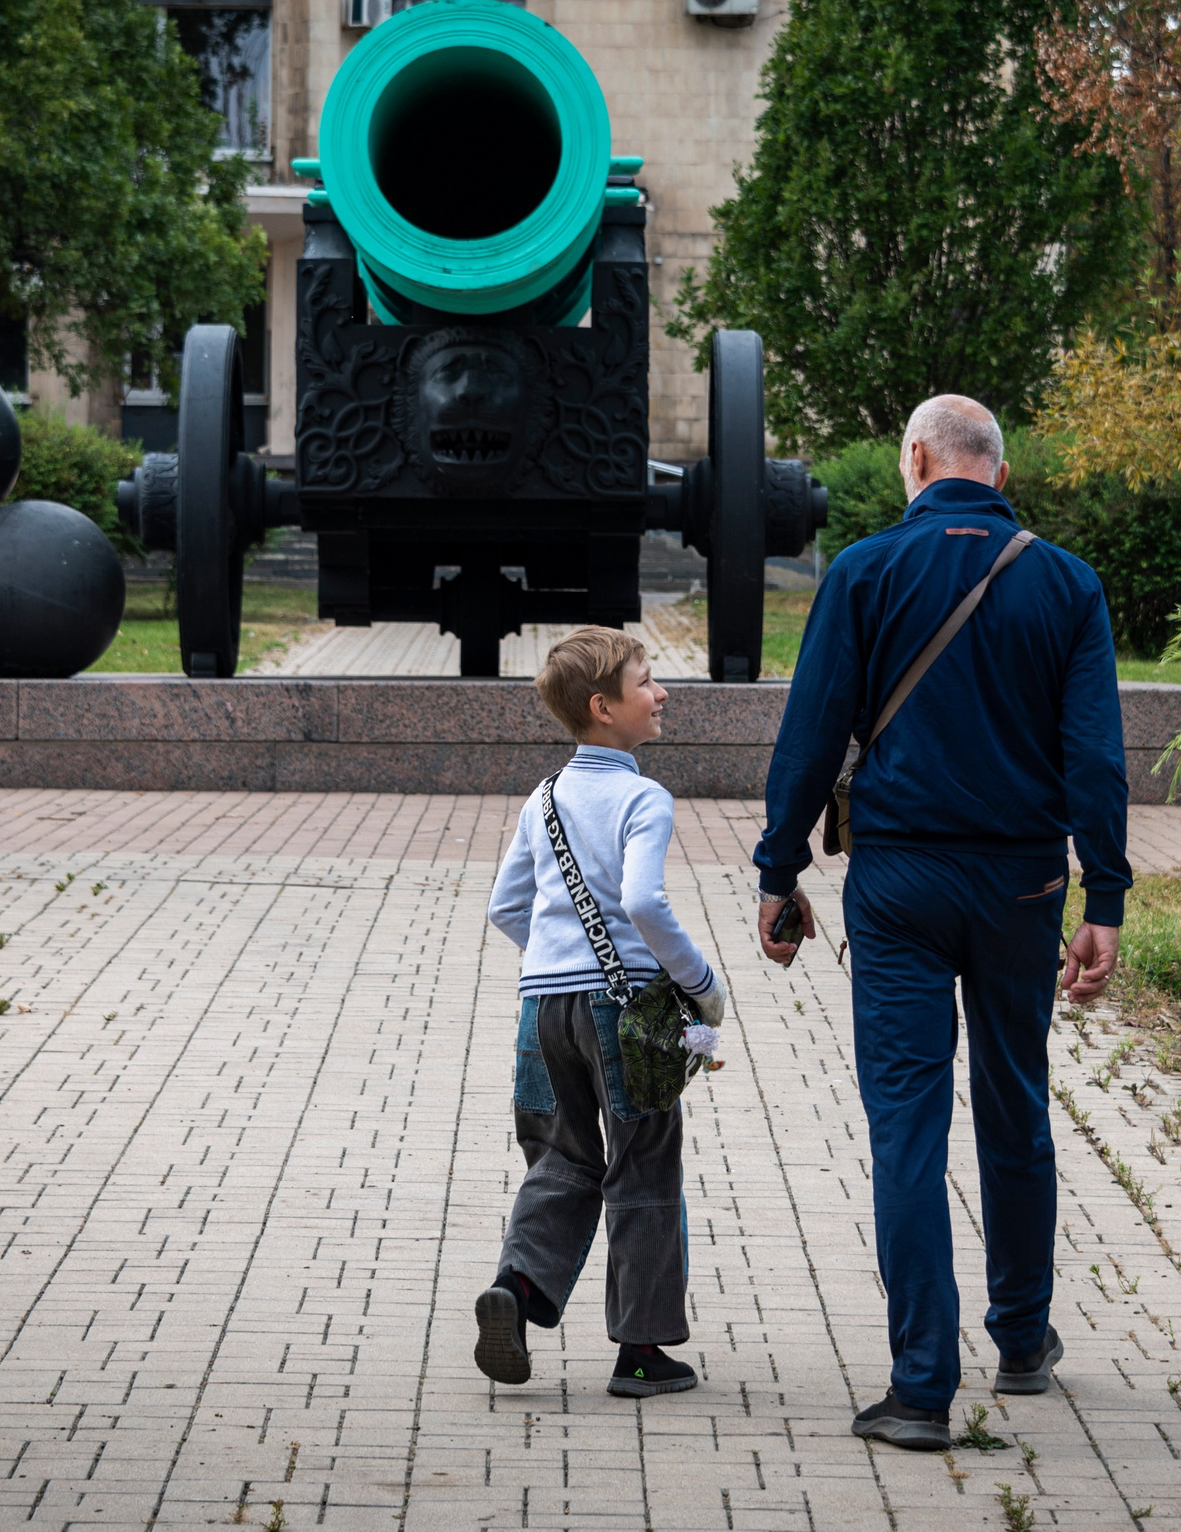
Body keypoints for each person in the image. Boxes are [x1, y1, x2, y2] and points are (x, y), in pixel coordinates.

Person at [753, 394, 1129, 1451]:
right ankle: (1020, 1339)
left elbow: (811, 730)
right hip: (1021, 887)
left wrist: (777, 872)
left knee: (906, 1120)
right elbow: (1095, 756)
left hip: (900, 882)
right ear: (997, 473)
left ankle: (921, 1382)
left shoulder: (863, 572)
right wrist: (1104, 896)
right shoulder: (1064, 582)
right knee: (1014, 1100)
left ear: (915, 459)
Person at [477, 627, 730, 1398]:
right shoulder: (642, 796)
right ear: (603, 706)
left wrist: (554, 960)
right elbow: (642, 900)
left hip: (540, 1008)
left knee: (562, 1158)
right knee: (645, 1161)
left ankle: (516, 1291)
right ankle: (642, 1352)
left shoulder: (543, 796)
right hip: (621, 1015)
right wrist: (701, 984)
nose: (661, 693)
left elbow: (505, 906)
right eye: (646, 681)